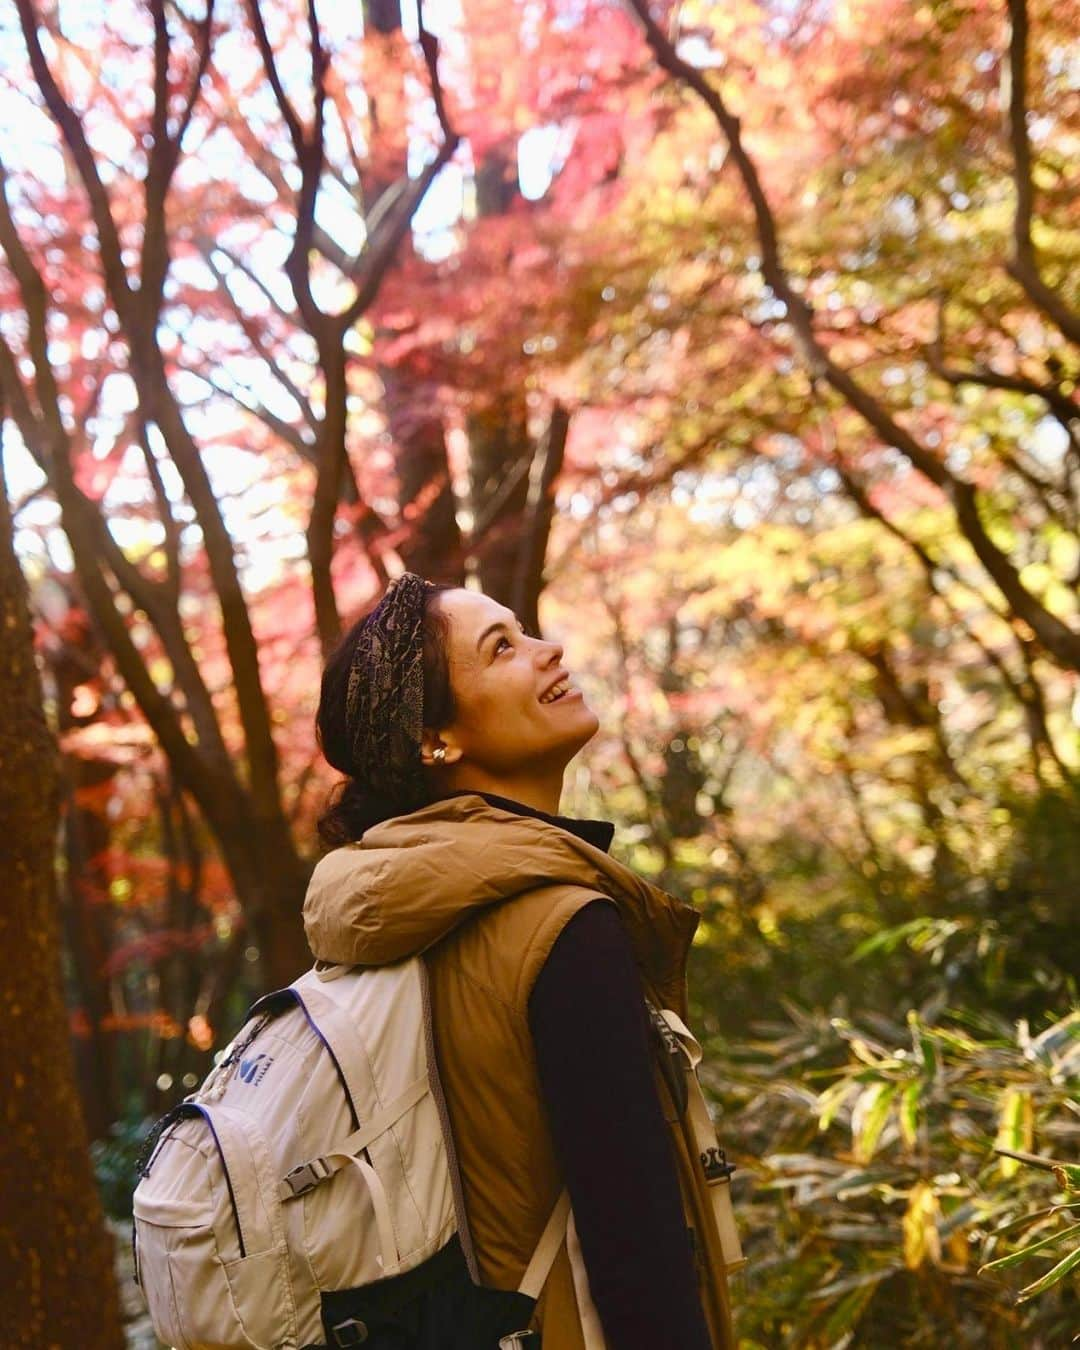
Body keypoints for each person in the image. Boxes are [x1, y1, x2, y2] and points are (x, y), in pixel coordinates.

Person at [305, 572, 738, 1349]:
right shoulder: (562, 924)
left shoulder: (398, 912)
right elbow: (637, 1249)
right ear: (436, 739)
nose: (550, 650)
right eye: (501, 647)